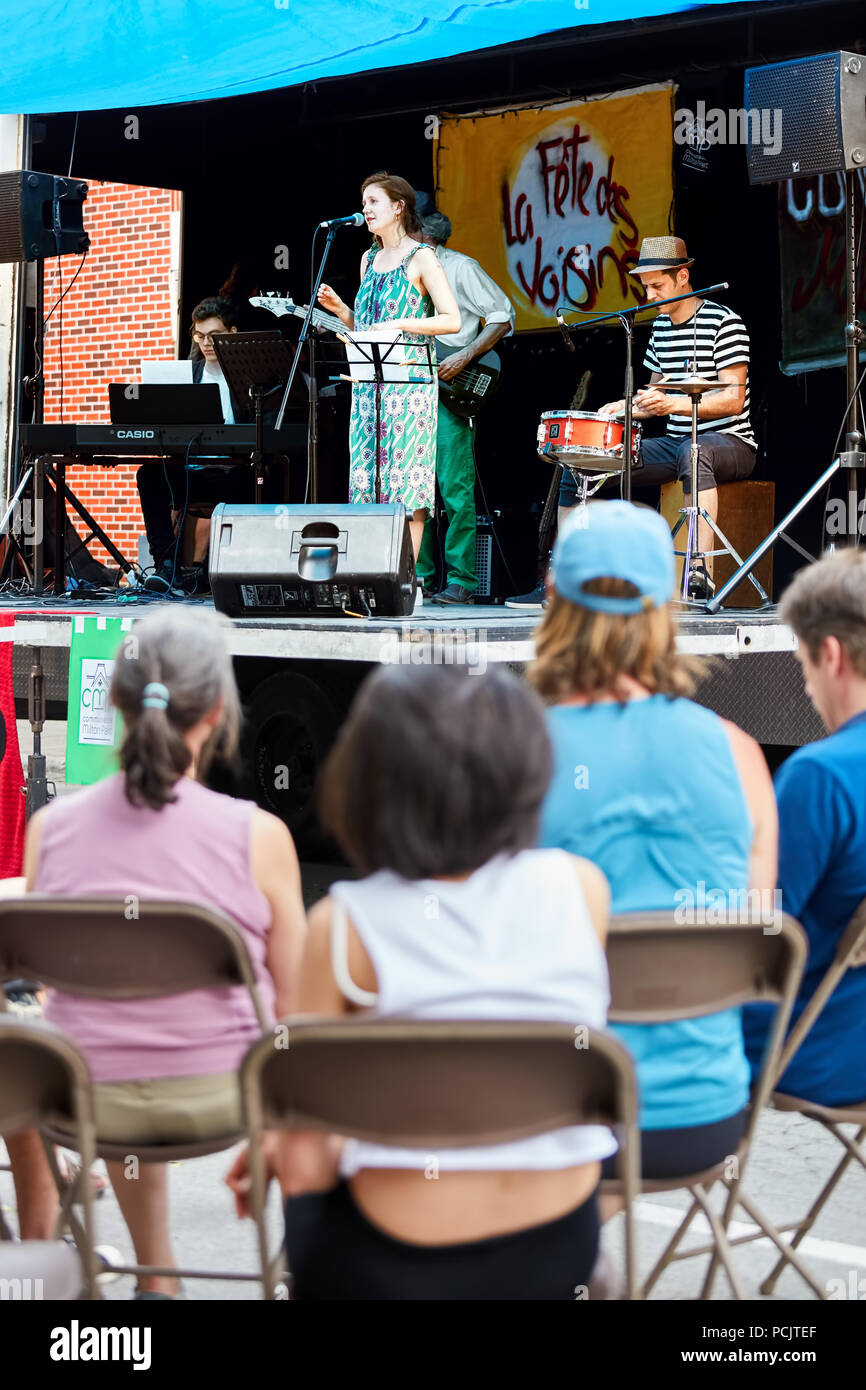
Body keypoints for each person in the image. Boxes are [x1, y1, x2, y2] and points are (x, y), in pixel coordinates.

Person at [227, 664, 613, 1301]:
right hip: (558, 1245)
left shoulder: (344, 926)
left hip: (389, 1263)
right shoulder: (582, 889)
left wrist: (276, 1145)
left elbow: (305, 1164)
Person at [22, 607, 306, 1299]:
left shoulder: (50, 831)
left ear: (114, 700)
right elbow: (298, 1019)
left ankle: (53, 1267)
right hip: (225, 1095)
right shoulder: (260, 836)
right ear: (216, 713)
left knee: (38, 1059)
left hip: (87, 1103)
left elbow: (50, 984)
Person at [529, 501, 777, 1184]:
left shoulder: (515, 757)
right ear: (669, 610)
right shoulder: (740, 756)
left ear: (552, 600)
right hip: (706, 1118)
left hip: (554, 1120)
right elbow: (752, 944)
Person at [510, 235, 756, 610]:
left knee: (697, 452)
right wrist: (623, 408)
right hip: (676, 442)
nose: (651, 295)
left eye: (658, 286)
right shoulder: (659, 329)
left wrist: (670, 403)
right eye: (647, 287)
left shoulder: (725, 322)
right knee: (578, 464)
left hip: (729, 442)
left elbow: (733, 399)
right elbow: (652, 397)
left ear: (683, 277)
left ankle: (698, 571)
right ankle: (565, 575)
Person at [743, 550, 866, 1104]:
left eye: (804, 665)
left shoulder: (822, 775)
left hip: (815, 1050)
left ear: (833, 656)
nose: (808, 686)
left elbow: (756, 937)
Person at [317, 173, 460, 562]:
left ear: (399, 207)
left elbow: (451, 320)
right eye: (364, 202)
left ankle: (405, 578)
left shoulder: (421, 257)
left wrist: (402, 324)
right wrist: (342, 311)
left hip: (409, 387)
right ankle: (371, 571)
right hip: (369, 388)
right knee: (369, 482)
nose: (366, 209)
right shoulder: (368, 259)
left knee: (407, 486)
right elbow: (366, 329)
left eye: (374, 201)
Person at [414, 209, 515, 605]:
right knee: (411, 489)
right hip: (410, 387)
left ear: (425, 237)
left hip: (451, 386)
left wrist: (467, 353)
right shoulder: (394, 273)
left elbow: (502, 316)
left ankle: (461, 580)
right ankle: (417, 577)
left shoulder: (461, 267)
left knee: (454, 489)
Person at [136, 296, 252, 594]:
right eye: (200, 336)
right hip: (196, 472)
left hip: (235, 474)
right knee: (149, 476)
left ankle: (221, 568)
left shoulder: (250, 378)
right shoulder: (188, 376)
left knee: (247, 479)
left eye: (214, 336)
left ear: (233, 333)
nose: (206, 343)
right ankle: (167, 566)